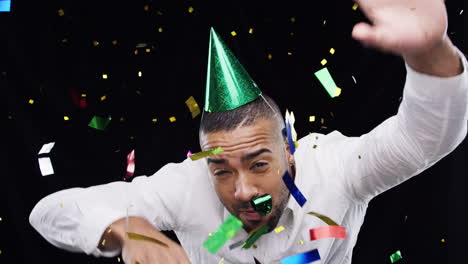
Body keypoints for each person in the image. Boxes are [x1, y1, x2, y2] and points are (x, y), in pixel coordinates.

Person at [29, 0, 467, 263]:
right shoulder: (184, 188)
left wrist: (431, 53)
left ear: (289, 148)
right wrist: (126, 228)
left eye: (259, 163)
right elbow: (51, 211)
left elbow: (421, 140)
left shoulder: (336, 169)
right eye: (220, 169)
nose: (241, 190)